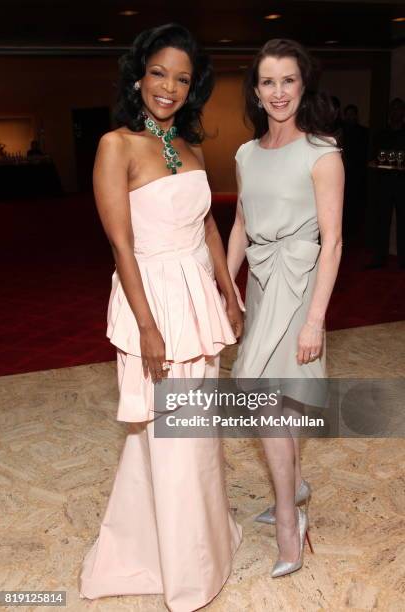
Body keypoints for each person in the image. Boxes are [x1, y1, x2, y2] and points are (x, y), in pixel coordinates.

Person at [78, 24, 243, 611]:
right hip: (151, 301)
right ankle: (182, 570)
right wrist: (147, 327)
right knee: (170, 435)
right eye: (158, 73)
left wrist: (228, 291)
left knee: (193, 434)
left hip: (195, 299)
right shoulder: (115, 146)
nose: (168, 87)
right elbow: (121, 247)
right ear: (137, 74)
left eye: (181, 77)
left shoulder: (194, 149)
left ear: (192, 86)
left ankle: (201, 543)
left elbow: (207, 226)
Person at [227, 38, 344, 578]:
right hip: (262, 285)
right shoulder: (245, 154)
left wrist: (316, 321)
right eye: (268, 82)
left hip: (299, 291)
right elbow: (241, 226)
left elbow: (333, 241)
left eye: (288, 81)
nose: (278, 92)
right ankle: (291, 487)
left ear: (303, 85)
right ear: (256, 90)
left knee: (266, 402)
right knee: (272, 402)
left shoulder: (323, 152)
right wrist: (226, 287)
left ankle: (287, 523)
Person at [367, 97, 405, 268]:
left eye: (399, 109)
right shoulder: (381, 133)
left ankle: (403, 260)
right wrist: (373, 163)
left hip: (403, 184)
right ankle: (379, 258)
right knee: (381, 221)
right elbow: (372, 157)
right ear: (389, 113)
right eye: (393, 109)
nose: (396, 112)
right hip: (383, 183)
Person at [341, 104, 369, 240]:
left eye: (353, 114)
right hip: (342, 174)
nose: (351, 117)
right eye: (349, 114)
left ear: (357, 116)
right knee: (343, 206)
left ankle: (355, 235)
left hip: (358, 174)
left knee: (356, 205)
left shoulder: (364, 132)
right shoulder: (340, 132)